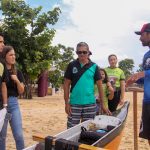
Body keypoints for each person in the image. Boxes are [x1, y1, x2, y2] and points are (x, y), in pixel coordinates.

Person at [64, 42, 107, 128]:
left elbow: (100, 86)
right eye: (79, 52)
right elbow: (66, 85)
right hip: (74, 103)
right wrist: (66, 103)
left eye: (84, 52)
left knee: (88, 129)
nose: (82, 54)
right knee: (71, 129)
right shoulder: (72, 65)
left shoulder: (94, 66)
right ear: (76, 53)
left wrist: (102, 104)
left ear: (88, 52)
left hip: (90, 104)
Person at [126, 23, 150, 145]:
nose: (140, 38)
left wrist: (144, 73)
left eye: (142, 34)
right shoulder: (146, 55)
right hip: (147, 101)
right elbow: (145, 77)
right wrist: (135, 79)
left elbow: (146, 73)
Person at [0, 46, 25, 150]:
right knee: (2, 137)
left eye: (14, 54)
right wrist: (4, 105)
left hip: (14, 104)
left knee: (19, 135)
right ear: (4, 56)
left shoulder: (18, 72)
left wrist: (17, 80)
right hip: (2, 105)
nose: (13, 57)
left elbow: (21, 91)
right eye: (10, 55)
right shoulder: (1, 70)